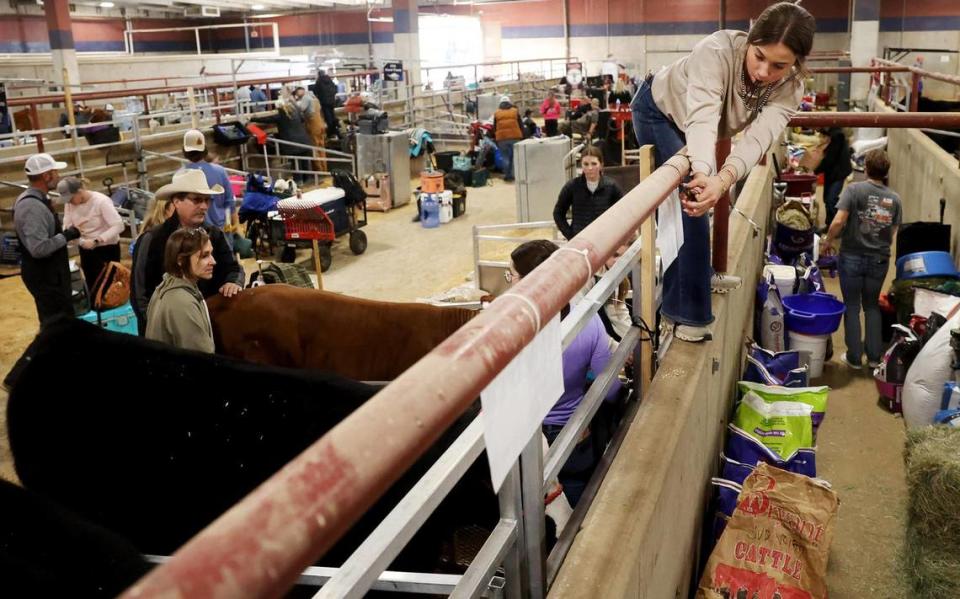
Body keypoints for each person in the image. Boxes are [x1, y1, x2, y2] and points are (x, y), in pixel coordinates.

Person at [631, 1, 815, 342]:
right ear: (750, 39)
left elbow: (756, 142)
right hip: (658, 110)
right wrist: (705, 176)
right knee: (691, 202)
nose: (763, 72)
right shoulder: (715, 51)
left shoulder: (790, 88)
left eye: (779, 65)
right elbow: (702, 116)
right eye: (759, 56)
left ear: (796, 64)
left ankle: (699, 276)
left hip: (702, 128)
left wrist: (724, 179)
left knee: (703, 197)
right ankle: (685, 313)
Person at [506, 240, 621, 506]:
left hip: (527, 441)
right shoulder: (588, 322)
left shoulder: (512, 332)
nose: (509, 282)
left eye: (510, 275)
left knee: (527, 512)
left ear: (528, 282)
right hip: (572, 431)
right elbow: (612, 388)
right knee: (580, 504)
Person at [131, 169, 243, 334]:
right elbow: (139, 292)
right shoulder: (152, 239)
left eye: (207, 200)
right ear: (176, 201)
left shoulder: (214, 235)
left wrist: (233, 282)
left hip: (208, 324)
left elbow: (233, 268)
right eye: (197, 200)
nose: (204, 206)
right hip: (164, 330)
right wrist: (157, 327)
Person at [820, 149, 901, 370]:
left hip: (852, 256)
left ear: (866, 168)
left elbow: (838, 221)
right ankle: (874, 358)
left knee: (852, 306)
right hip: (879, 260)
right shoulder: (895, 199)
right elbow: (892, 230)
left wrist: (828, 241)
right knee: (872, 306)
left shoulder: (853, 190)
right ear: (886, 172)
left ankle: (855, 358)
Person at [14, 153, 79, 326]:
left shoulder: (37, 200)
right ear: (46, 176)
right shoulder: (31, 206)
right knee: (57, 325)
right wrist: (66, 236)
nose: (58, 176)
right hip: (46, 278)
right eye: (55, 172)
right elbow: (39, 248)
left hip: (51, 275)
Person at [145, 228, 216, 354]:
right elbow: (203, 360)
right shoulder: (182, 302)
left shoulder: (165, 287)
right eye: (204, 256)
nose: (213, 262)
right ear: (181, 260)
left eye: (211, 254)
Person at [57, 176, 124, 287]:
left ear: (79, 191)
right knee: (91, 283)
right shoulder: (69, 204)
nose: (69, 202)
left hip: (106, 249)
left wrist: (97, 240)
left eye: (71, 198)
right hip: (85, 248)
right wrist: (76, 237)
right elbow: (67, 224)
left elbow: (118, 225)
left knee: (108, 286)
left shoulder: (101, 201)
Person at [553, 145, 623, 240]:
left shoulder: (612, 187)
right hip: (579, 241)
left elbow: (621, 214)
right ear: (581, 165)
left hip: (604, 241)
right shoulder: (572, 186)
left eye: (594, 164)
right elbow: (558, 213)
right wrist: (570, 235)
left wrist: (614, 236)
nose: (590, 168)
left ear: (601, 165)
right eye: (586, 164)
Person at [250, 88, 314, 184]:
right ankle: (309, 180)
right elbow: (302, 119)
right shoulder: (295, 111)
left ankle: (299, 181)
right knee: (305, 161)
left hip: (292, 143)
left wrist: (252, 118)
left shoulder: (280, 116)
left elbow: (267, 119)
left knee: (295, 163)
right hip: (304, 140)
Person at [181, 130, 235, 232]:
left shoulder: (181, 175)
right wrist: (230, 225)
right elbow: (229, 203)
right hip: (221, 229)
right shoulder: (220, 171)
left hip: (194, 234)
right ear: (204, 150)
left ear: (185, 151)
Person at [813, 127, 852, 230]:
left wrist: (814, 171)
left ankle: (838, 227)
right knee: (827, 198)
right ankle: (829, 224)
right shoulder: (830, 133)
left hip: (839, 172)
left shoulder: (837, 136)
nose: (820, 137)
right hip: (831, 171)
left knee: (831, 199)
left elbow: (829, 159)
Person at [493, 95, 523, 182]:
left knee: (505, 157)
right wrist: (523, 135)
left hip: (502, 138)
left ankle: (507, 175)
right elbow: (520, 124)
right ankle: (513, 175)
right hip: (515, 136)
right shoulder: (515, 111)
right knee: (514, 157)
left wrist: (496, 136)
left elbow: (494, 127)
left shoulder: (497, 113)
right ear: (509, 103)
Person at [314, 69, 340, 139]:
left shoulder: (319, 81)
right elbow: (335, 89)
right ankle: (336, 130)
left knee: (328, 118)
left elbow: (315, 91)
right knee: (332, 115)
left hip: (324, 102)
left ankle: (330, 133)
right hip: (332, 101)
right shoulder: (329, 80)